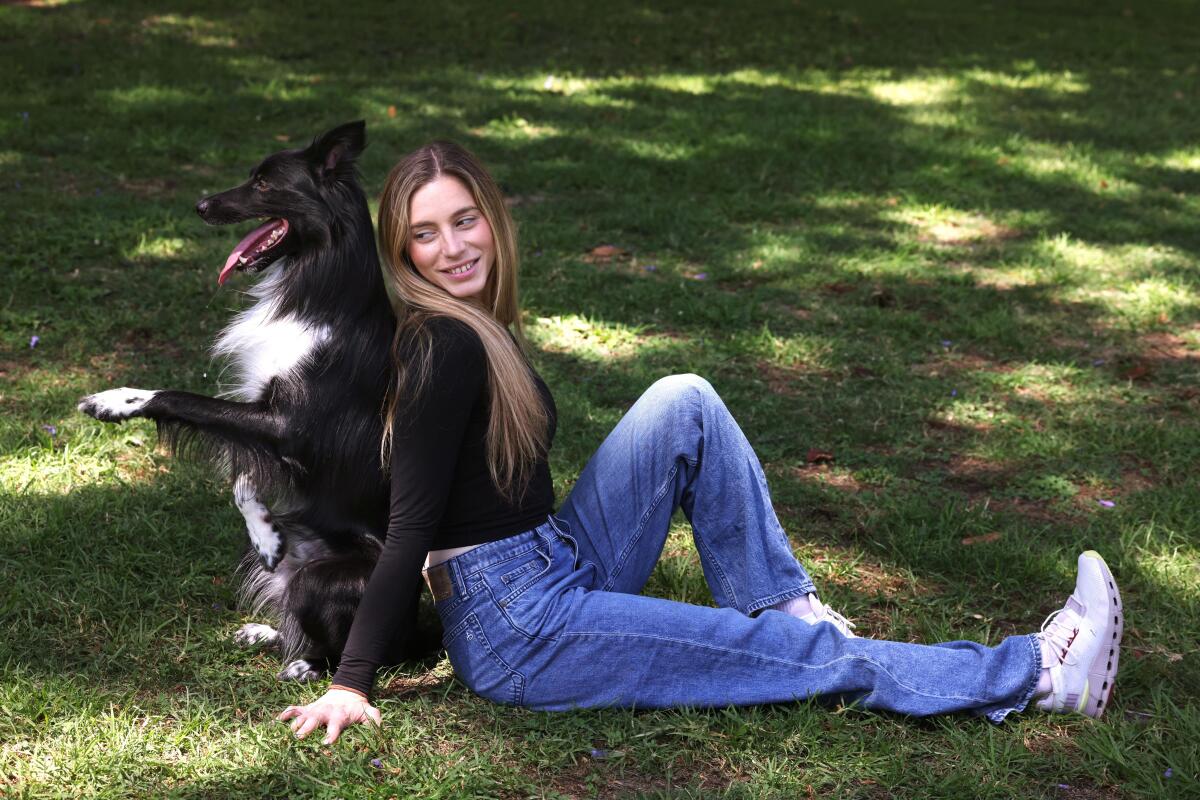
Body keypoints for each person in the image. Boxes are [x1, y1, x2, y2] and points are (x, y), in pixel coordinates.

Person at [278, 142, 1123, 744]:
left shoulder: (478, 326)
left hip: (550, 564)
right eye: (426, 234)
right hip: (519, 628)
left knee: (684, 400)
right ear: (402, 251)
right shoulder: (443, 344)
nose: (453, 247)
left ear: (492, 219)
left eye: (465, 221)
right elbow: (413, 525)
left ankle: (782, 599)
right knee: (786, 658)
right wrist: (354, 679)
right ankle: (1042, 674)